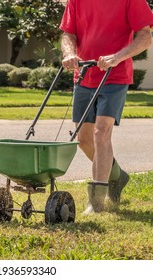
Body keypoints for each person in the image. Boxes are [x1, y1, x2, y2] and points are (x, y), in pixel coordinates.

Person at [59, 0, 153, 214]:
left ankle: (97, 202)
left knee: (101, 133)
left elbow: (145, 36)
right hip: (83, 75)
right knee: (84, 139)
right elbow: (68, 34)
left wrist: (117, 58)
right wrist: (69, 54)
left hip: (115, 76)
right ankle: (117, 176)